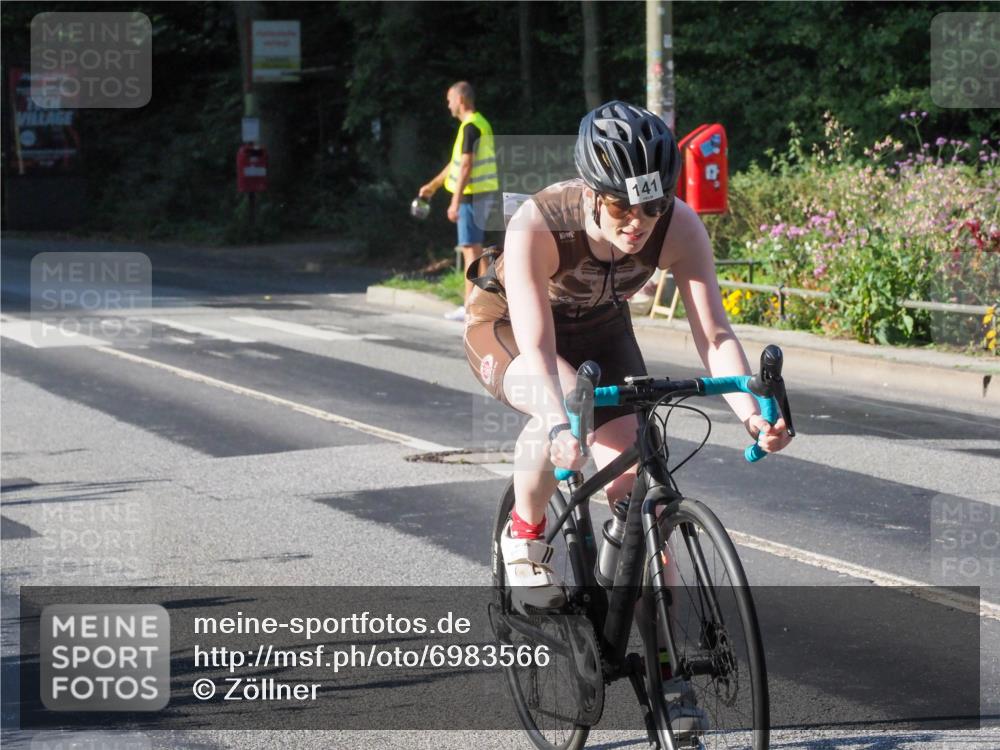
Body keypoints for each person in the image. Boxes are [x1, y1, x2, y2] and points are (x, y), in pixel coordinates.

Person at [463, 101, 793, 609]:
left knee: (636, 486)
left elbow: (714, 334)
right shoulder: (541, 222)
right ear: (592, 193)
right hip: (509, 327)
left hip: (600, 328)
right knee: (569, 400)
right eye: (621, 207)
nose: (638, 223)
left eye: (653, 206)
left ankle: (665, 659)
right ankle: (524, 532)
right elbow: (538, 346)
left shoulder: (678, 226)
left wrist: (752, 415)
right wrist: (558, 425)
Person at [419, 81, 498, 322]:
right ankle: (484, 304)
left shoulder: (470, 126)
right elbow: (456, 164)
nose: (448, 104)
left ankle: (470, 307)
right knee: (476, 251)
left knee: (470, 252)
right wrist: (433, 185)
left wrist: (454, 202)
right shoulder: (478, 123)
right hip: (480, 195)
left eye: (450, 100)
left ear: (461, 100)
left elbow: (466, 166)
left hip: (471, 197)